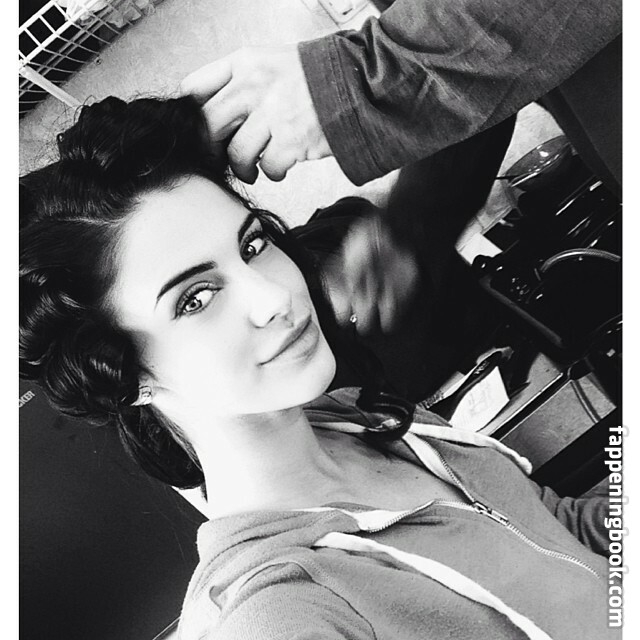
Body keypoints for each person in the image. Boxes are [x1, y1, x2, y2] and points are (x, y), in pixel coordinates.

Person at [20, 96, 619, 640]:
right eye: (195, 298)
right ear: (124, 376)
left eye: (253, 246)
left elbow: (557, 531)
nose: (275, 297)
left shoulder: (359, 419)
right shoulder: (282, 609)